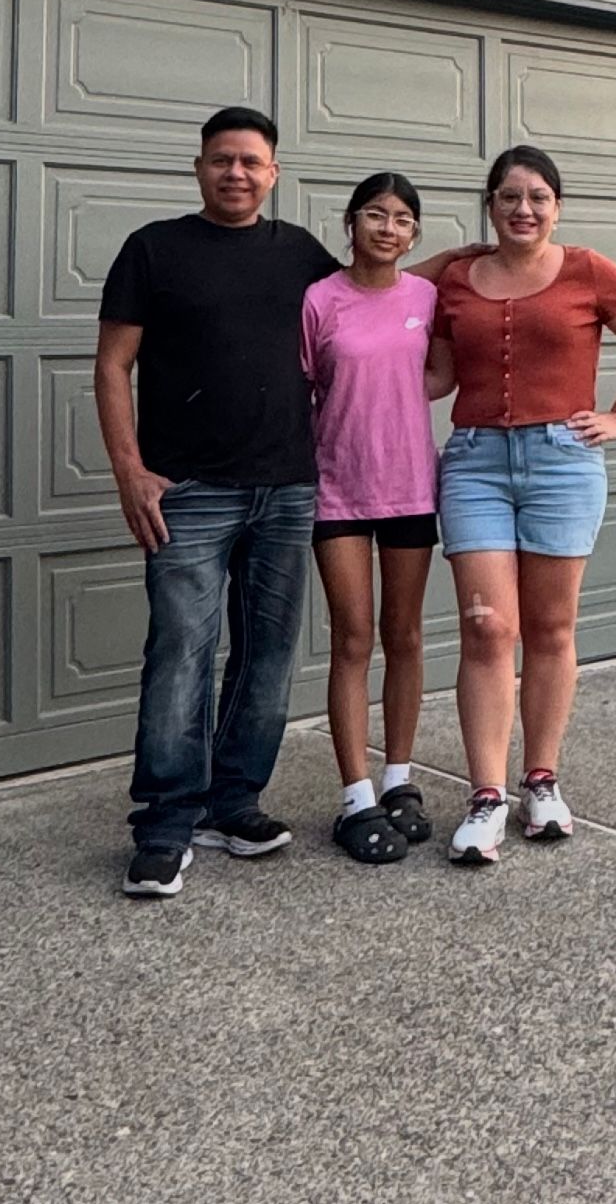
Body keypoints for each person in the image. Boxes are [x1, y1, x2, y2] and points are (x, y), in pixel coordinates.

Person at [95, 108, 481, 897]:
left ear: (273, 174)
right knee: (181, 654)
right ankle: (166, 825)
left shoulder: (298, 255)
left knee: (267, 656)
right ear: (199, 166)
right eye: (222, 160)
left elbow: (380, 285)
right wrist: (129, 471)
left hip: (288, 488)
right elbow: (112, 366)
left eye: (251, 163)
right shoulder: (153, 250)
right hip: (190, 491)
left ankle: (234, 802)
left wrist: (468, 257)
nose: (236, 173)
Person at [427, 145, 616, 865]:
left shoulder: (587, 270)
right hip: (473, 462)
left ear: (556, 206)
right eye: (507, 197)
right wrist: (445, 256)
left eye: (536, 196)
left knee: (551, 626)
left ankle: (541, 780)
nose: (522, 209)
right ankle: (484, 796)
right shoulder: (454, 278)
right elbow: (431, 365)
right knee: (486, 627)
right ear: (490, 205)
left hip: (563, 464)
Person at [301, 173, 439, 864]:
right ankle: (355, 795)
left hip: (412, 487)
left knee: (405, 634)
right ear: (351, 223)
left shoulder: (426, 299)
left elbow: (440, 373)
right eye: (375, 215)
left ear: (415, 234)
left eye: (403, 219)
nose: (388, 227)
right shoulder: (319, 300)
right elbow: (301, 388)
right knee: (353, 639)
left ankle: (399, 780)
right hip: (339, 493)